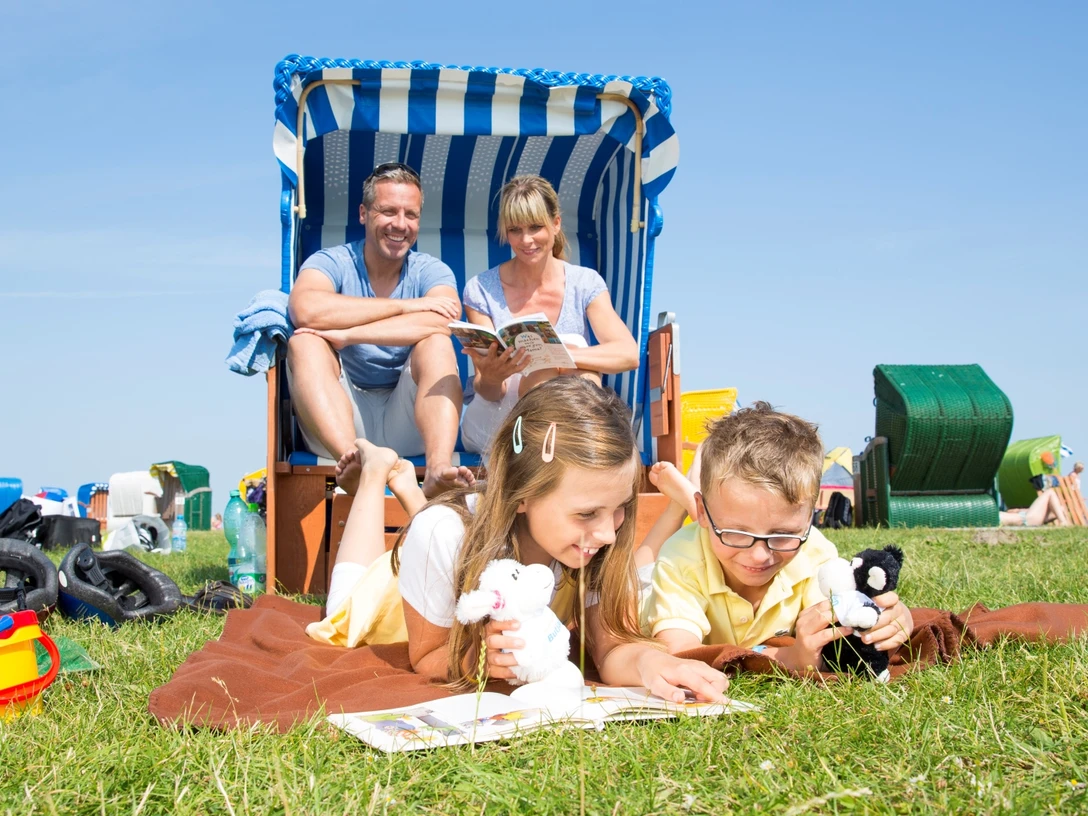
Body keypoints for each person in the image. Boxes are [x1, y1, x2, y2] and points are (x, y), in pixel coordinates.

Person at [307, 377, 728, 702]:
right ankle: (377, 474)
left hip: (460, 548)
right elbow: (428, 655)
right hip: (395, 598)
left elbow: (611, 647)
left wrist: (652, 662)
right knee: (345, 601)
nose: (607, 532)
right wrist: (480, 660)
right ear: (521, 492)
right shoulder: (441, 532)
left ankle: (405, 485)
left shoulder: (594, 537)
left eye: (619, 508)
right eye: (586, 514)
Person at [642, 402, 915, 674]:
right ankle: (682, 502)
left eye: (783, 535)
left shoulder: (815, 553)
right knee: (634, 574)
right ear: (702, 513)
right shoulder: (680, 559)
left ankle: (693, 494)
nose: (759, 555)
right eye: (736, 533)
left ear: (809, 518)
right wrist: (787, 657)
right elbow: (680, 653)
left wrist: (887, 620)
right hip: (645, 590)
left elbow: (842, 623)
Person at [288, 162, 471, 497]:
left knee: (436, 343)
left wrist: (350, 333)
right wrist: (406, 306)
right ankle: (355, 466)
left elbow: (445, 321)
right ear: (363, 213)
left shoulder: (431, 270)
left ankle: (438, 468)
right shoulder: (332, 262)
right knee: (305, 344)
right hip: (340, 419)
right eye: (388, 211)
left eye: (410, 214)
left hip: (407, 420)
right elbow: (305, 309)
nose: (400, 225)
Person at [459, 175, 639, 454]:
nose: (526, 240)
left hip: (564, 418)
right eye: (515, 230)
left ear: (555, 224)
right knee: (554, 363)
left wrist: (556, 352)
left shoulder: (584, 283)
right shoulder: (481, 289)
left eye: (535, 227)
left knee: (574, 351)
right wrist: (492, 376)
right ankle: (559, 452)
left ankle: (557, 450)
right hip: (495, 416)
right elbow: (491, 390)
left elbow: (629, 354)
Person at [999, 489, 1070, 527]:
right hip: (1026, 519)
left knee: (1050, 493)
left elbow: (1010, 511)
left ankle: (1062, 519)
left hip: (1025, 518)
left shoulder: (993, 515)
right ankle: (1063, 521)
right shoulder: (992, 516)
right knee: (1050, 493)